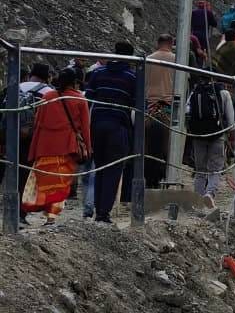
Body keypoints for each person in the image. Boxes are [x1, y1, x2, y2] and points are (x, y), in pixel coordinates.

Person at [24, 67, 90, 225]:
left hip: (45, 146)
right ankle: (51, 216)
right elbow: (85, 127)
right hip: (67, 147)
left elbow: (38, 124)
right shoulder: (80, 99)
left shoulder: (48, 97)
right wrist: (88, 147)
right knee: (61, 183)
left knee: (46, 181)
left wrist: (34, 148)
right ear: (74, 82)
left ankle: (36, 210)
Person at [84, 42, 139, 224]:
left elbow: (89, 99)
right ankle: (103, 213)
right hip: (118, 126)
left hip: (97, 125)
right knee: (113, 170)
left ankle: (97, 208)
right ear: (130, 57)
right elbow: (137, 105)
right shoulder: (132, 77)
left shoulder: (98, 73)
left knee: (99, 167)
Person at [3, 64, 54, 217]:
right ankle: (20, 213)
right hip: (32, 137)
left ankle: (10, 209)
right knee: (25, 172)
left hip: (11, 135)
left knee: (11, 169)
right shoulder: (48, 91)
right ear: (47, 76)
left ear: (31, 74)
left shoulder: (15, 87)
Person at [185, 73, 234, 206]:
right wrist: (231, 135)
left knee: (200, 169)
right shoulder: (223, 92)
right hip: (217, 135)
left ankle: (198, 199)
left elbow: (186, 111)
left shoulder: (195, 91)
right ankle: (210, 194)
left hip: (198, 135)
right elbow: (230, 119)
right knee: (215, 168)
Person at [143, 34, 177, 189]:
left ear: (158, 43)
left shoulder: (148, 59)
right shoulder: (177, 60)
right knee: (173, 147)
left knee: (143, 144)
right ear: (172, 43)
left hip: (149, 108)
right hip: (169, 109)